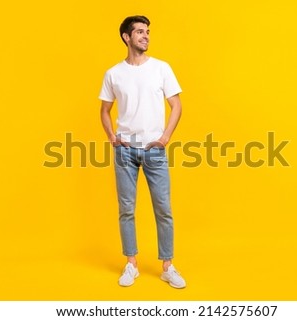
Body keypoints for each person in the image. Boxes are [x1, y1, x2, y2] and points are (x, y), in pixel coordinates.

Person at [99, 15, 186, 288]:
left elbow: (177, 105)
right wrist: (113, 137)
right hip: (125, 151)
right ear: (126, 37)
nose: (145, 36)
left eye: (147, 31)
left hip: (154, 151)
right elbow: (104, 110)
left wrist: (165, 138)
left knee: (163, 208)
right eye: (139, 32)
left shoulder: (161, 68)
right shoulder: (113, 73)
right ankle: (131, 264)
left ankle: (168, 266)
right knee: (126, 209)